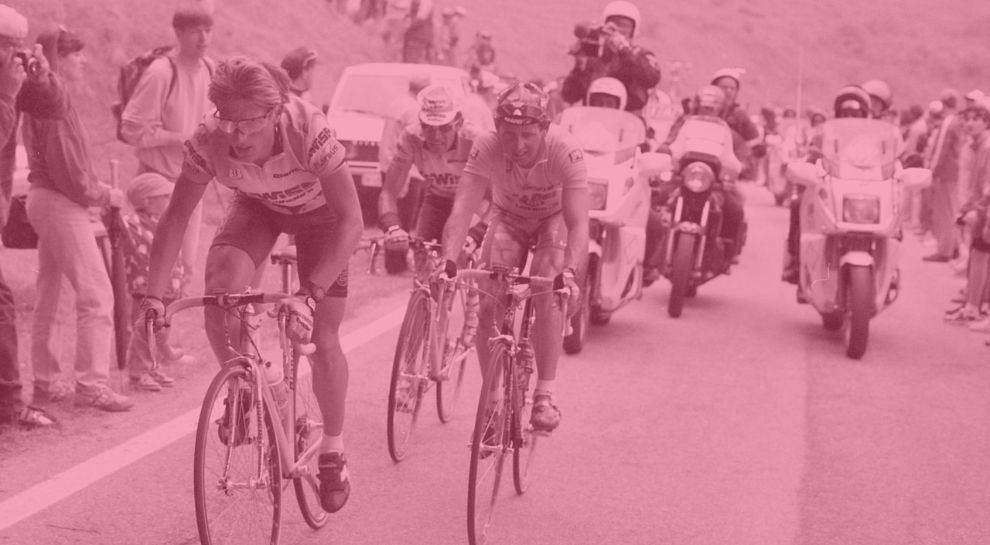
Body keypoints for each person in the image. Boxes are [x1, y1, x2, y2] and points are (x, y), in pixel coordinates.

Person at [140, 57, 363, 512]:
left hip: (322, 217)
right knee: (220, 293)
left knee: (321, 339)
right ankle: (253, 387)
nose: (237, 136)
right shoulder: (209, 137)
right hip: (259, 207)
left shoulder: (308, 130)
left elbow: (353, 221)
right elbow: (176, 216)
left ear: (275, 113)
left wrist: (310, 294)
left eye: (249, 125)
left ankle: (333, 451)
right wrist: (154, 295)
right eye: (228, 121)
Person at [439, 82, 587, 434]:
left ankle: (544, 396)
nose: (518, 145)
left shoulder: (565, 150)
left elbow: (579, 223)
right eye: (509, 135)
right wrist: (448, 262)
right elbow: (462, 210)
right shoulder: (487, 146)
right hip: (509, 217)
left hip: (553, 219)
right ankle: (492, 401)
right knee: (488, 300)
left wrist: (570, 273)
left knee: (548, 284)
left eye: (527, 136)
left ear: (544, 129)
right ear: (497, 129)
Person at [21, 26, 131, 412]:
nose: (85, 60)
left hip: (45, 198)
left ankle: (47, 381)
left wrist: (95, 189)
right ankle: (91, 385)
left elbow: (69, 168)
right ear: (59, 59)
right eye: (77, 54)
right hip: (60, 202)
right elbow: (69, 173)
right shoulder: (55, 105)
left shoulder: (48, 97)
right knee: (97, 294)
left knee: (51, 296)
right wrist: (103, 194)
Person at [120, 3, 215, 296]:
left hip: (193, 180)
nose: (204, 38)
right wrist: (176, 139)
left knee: (185, 272)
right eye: (195, 31)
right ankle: (142, 327)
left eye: (208, 30)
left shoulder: (210, 69)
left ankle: (162, 327)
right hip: (158, 182)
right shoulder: (162, 72)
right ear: (178, 33)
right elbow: (130, 129)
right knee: (155, 274)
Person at [0, 3, 57, 428]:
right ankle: (8, 400)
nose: (14, 56)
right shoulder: (5, 89)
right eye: (7, 46)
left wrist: (41, 79)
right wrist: (6, 95)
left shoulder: (12, 80)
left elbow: (55, 108)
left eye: (18, 47)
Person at [378, 84, 484, 276]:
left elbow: (498, 199)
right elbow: (389, 192)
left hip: (474, 202)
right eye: (428, 127)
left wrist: (477, 233)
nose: (436, 136)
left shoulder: (476, 140)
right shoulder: (411, 137)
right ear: (420, 122)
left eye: (444, 128)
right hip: (437, 198)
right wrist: (392, 227)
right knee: (423, 264)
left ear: (458, 123)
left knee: (457, 255)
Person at [781, 85, 872, 284]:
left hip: (865, 197)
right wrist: (807, 169)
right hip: (831, 194)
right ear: (837, 114)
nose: (850, 118)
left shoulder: (875, 141)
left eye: (855, 114)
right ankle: (795, 260)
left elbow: (891, 166)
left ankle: (890, 266)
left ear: (865, 116)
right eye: (845, 114)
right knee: (798, 204)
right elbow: (811, 160)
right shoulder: (823, 137)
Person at [121, 172, 196, 392]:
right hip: (146, 288)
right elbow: (123, 236)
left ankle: (153, 367)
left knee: (161, 329)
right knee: (145, 331)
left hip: (168, 286)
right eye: (164, 196)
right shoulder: (133, 223)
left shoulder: (164, 222)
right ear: (147, 201)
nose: (169, 200)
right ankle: (138, 373)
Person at [561, 0, 660, 115]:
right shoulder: (593, 55)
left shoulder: (641, 55)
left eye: (624, 25)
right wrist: (580, 67)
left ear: (633, 30)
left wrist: (624, 49)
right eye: (614, 24)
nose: (618, 29)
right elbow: (569, 96)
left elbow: (651, 79)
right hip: (592, 118)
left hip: (630, 119)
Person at [945, 99, 990, 326]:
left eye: (976, 119)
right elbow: (975, 183)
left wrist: (978, 210)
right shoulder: (976, 146)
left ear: (986, 122)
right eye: (968, 119)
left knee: (980, 256)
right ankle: (974, 305)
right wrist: (966, 208)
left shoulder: (987, 146)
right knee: (977, 255)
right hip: (979, 207)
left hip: (985, 208)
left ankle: (974, 307)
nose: (970, 123)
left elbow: (987, 185)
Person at [923, 87, 966, 263]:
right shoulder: (957, 120)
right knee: (951, 209)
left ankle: (945, 250)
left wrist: (932, 171)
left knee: (945, 212)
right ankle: (953, 246)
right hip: (954, 172)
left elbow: (941, 149)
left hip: (946, 173)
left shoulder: (949, 121)